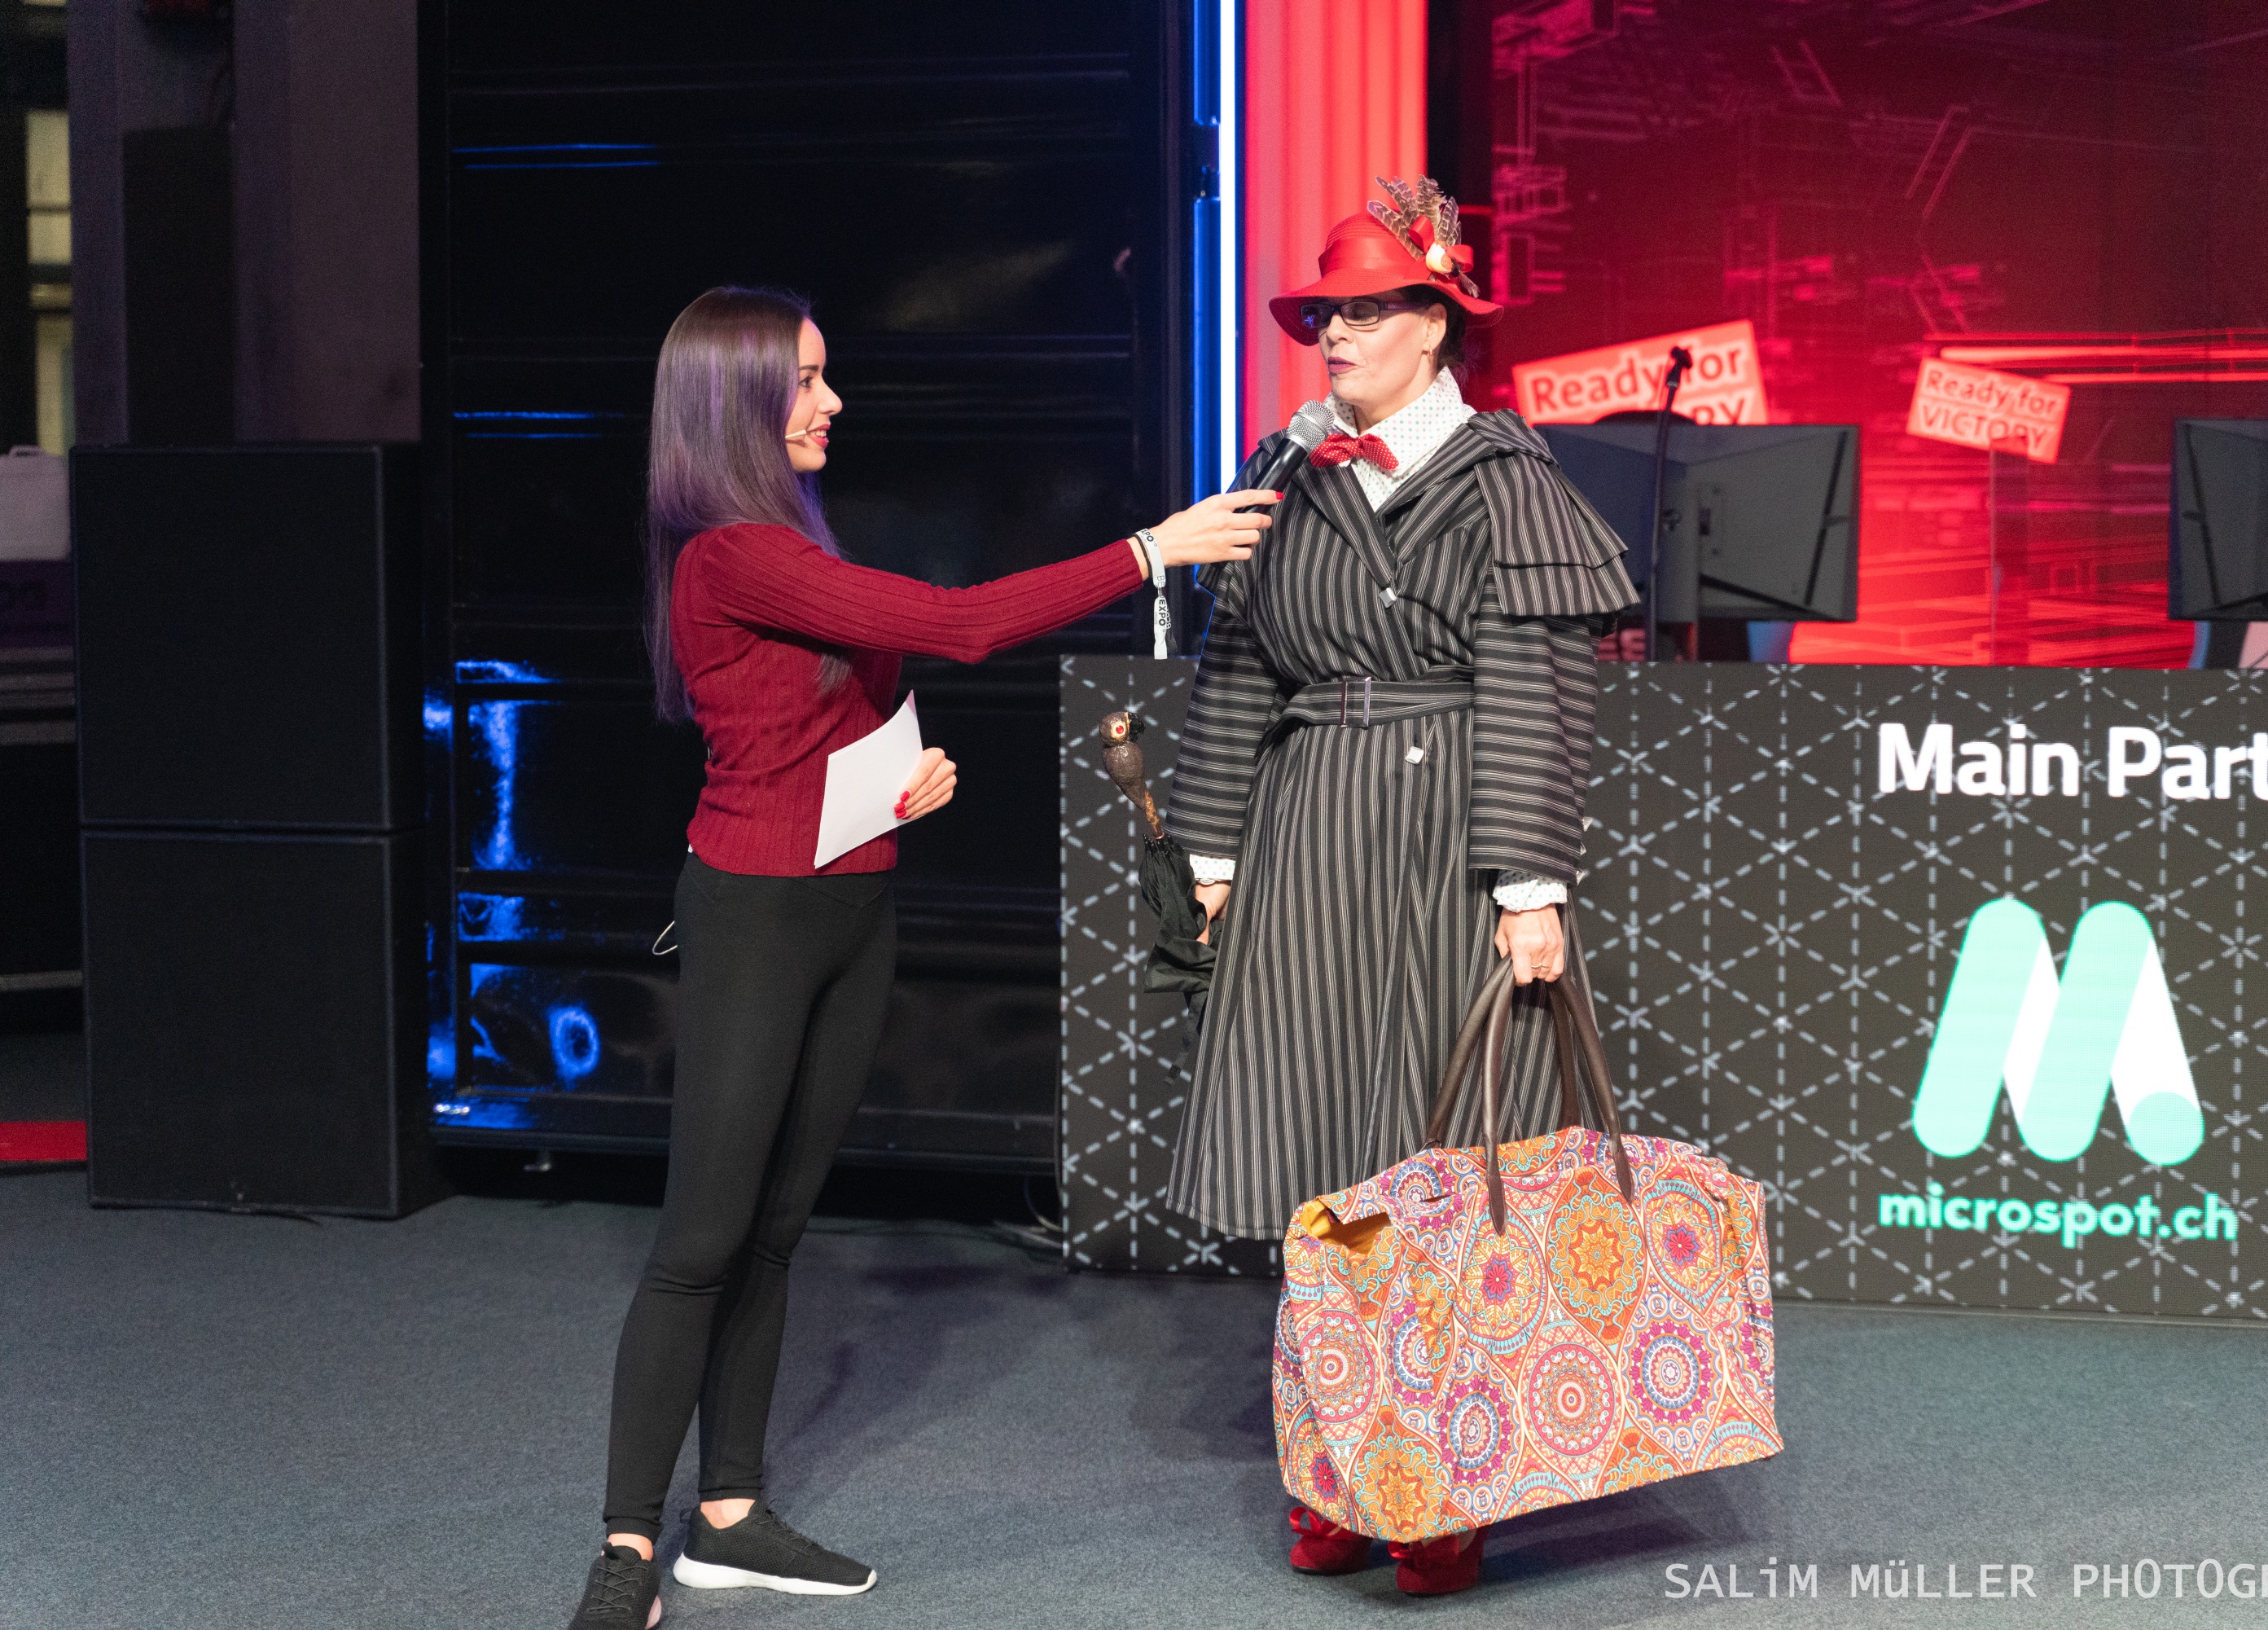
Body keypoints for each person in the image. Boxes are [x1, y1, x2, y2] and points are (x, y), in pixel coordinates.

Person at [566, 286, 1279, 1630]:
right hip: (757, 913)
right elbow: (957, 623)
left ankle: (728, 1516)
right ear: (734, 402)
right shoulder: (728, 553)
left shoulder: (793, 537)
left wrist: (895, 782)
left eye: (825, 376)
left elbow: (826, 711)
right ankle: (624, 1551)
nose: (831, 401)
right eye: (805, 380)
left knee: (777, 1229)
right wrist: (1152, 550)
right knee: (701, 1239)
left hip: (850, 904)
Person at [1163, 180, 1635, 1597]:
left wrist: (1531, 887)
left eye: (1368, 311)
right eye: (1327, 313)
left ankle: (1442, 1483)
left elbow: (1536, 696)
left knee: (1442, 1171)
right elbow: (1239, 669)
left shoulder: (1505, 482)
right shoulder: (1286, 470)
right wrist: (1211, 851)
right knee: (1324, 1174)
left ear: (1435, 326)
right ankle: (1333, 1472)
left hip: (1447, 842)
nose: (1338, 335)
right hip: (1311, 829)